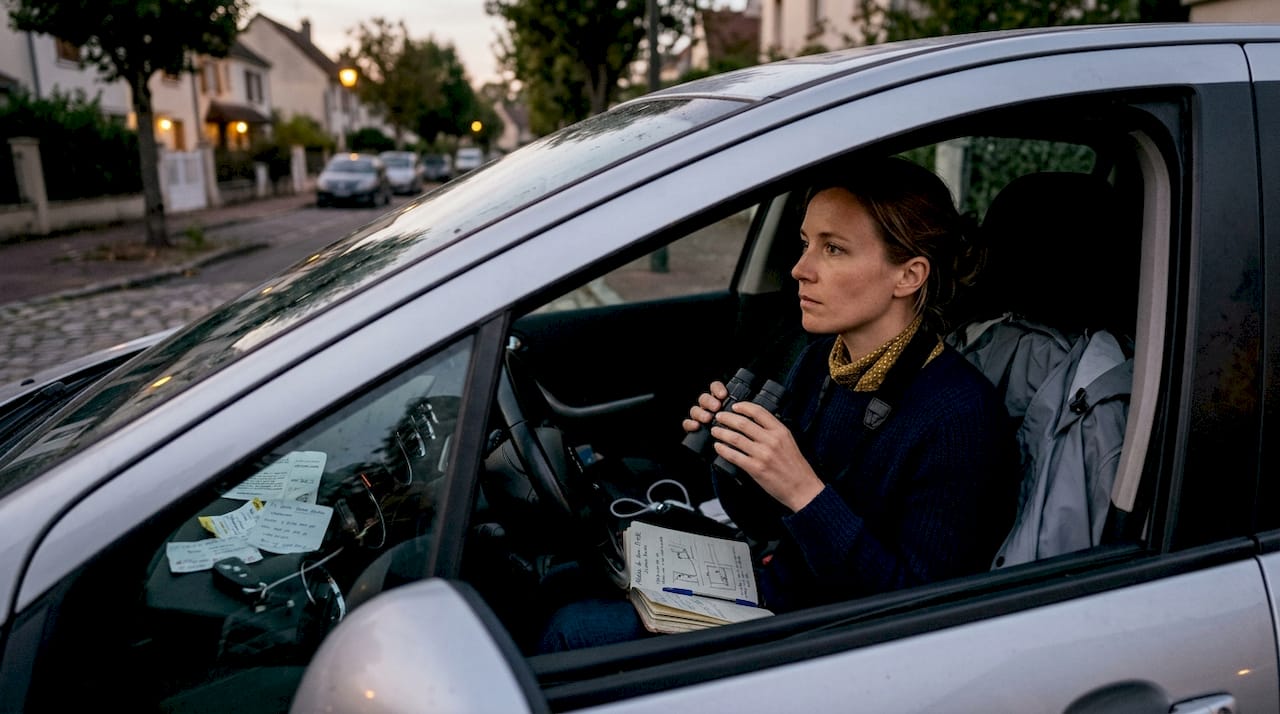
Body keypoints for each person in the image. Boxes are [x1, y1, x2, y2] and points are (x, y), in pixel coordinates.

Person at [537, 156, 1017, 652]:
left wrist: (803, 489)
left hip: (832, 635)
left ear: (909, 275)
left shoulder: (959, 417)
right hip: (776, 584)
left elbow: (914, 608)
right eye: (806, 243)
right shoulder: (820, 362)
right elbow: (765, 523)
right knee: (563, 578)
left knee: (572, 631)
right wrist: (736, 458)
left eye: (833, 249)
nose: (800, 270)